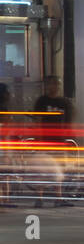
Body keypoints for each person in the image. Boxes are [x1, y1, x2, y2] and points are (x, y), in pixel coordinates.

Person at [30, 76, 75, 207]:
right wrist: (38, 139)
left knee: (59, 169)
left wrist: (68, 139)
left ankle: (58, 198)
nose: (54, 87)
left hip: (59, 141)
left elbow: (68, 123)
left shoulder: (64, 102)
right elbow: (37, 120)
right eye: (51, 84)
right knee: (42, 170)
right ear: (47, 86)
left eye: (56, 84)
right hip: (45, 141)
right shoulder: (42, 101)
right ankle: (39, 198)